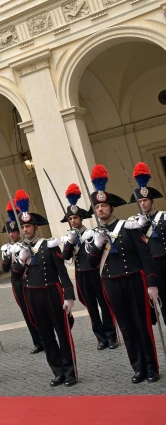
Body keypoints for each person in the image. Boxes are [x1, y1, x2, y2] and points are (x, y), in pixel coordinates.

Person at [85, 165, 159, 383]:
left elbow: (145, 255)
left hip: (134, 279)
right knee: (126, 327)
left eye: (104, 206)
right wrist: (97, 246)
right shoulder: (94, 235)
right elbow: (90, 265)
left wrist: (152, 283)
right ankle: (138, 367)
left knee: (142, 324)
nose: (100, 210)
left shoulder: (128, 227)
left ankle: (151, 367)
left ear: (111, 208)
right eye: (97, 207)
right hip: (111, 283)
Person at [10, 190, 77, 387]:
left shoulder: (49, 245)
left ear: (35, 227)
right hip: (32, 294)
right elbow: (15, 275)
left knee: (63, 333)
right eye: (23, 227)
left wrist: (68, 294)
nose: (26, 230)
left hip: (52, 293)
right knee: (46, 336)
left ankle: (70, 371)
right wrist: (21, 260)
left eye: (28, 226)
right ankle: (57, 371)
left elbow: (61, 271)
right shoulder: (19, 250)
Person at [61, 184, 118, 350]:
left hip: (96, 273)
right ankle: (100, 338)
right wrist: (70, 241)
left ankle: (111, 336)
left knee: (105, 304)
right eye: (70, 219)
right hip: (81, 275)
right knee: (91, 307)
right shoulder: (68, 237)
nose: (73, 221)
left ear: (81, 219)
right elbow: (65, 257)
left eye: (76, 218)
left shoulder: (93, 232)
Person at [1, 201, 45, 354]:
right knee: (26, 312)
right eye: (10, 232)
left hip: (30, 278)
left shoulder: (27, 243)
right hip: (17, 281)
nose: (12, 234)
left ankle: (45, 338)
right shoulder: (7, 247)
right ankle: (37, 342)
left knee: (37, 310)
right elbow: (5, 268)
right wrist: (7, 254)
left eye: (14, 231)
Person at [128, 163, 165, 299]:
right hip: (150, 265)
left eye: (145, 200)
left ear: (151, 201)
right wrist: (139, 228)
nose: (143, 203)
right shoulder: (133, 221)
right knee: (161, 299)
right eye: (140, 201)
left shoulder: (164, 216)